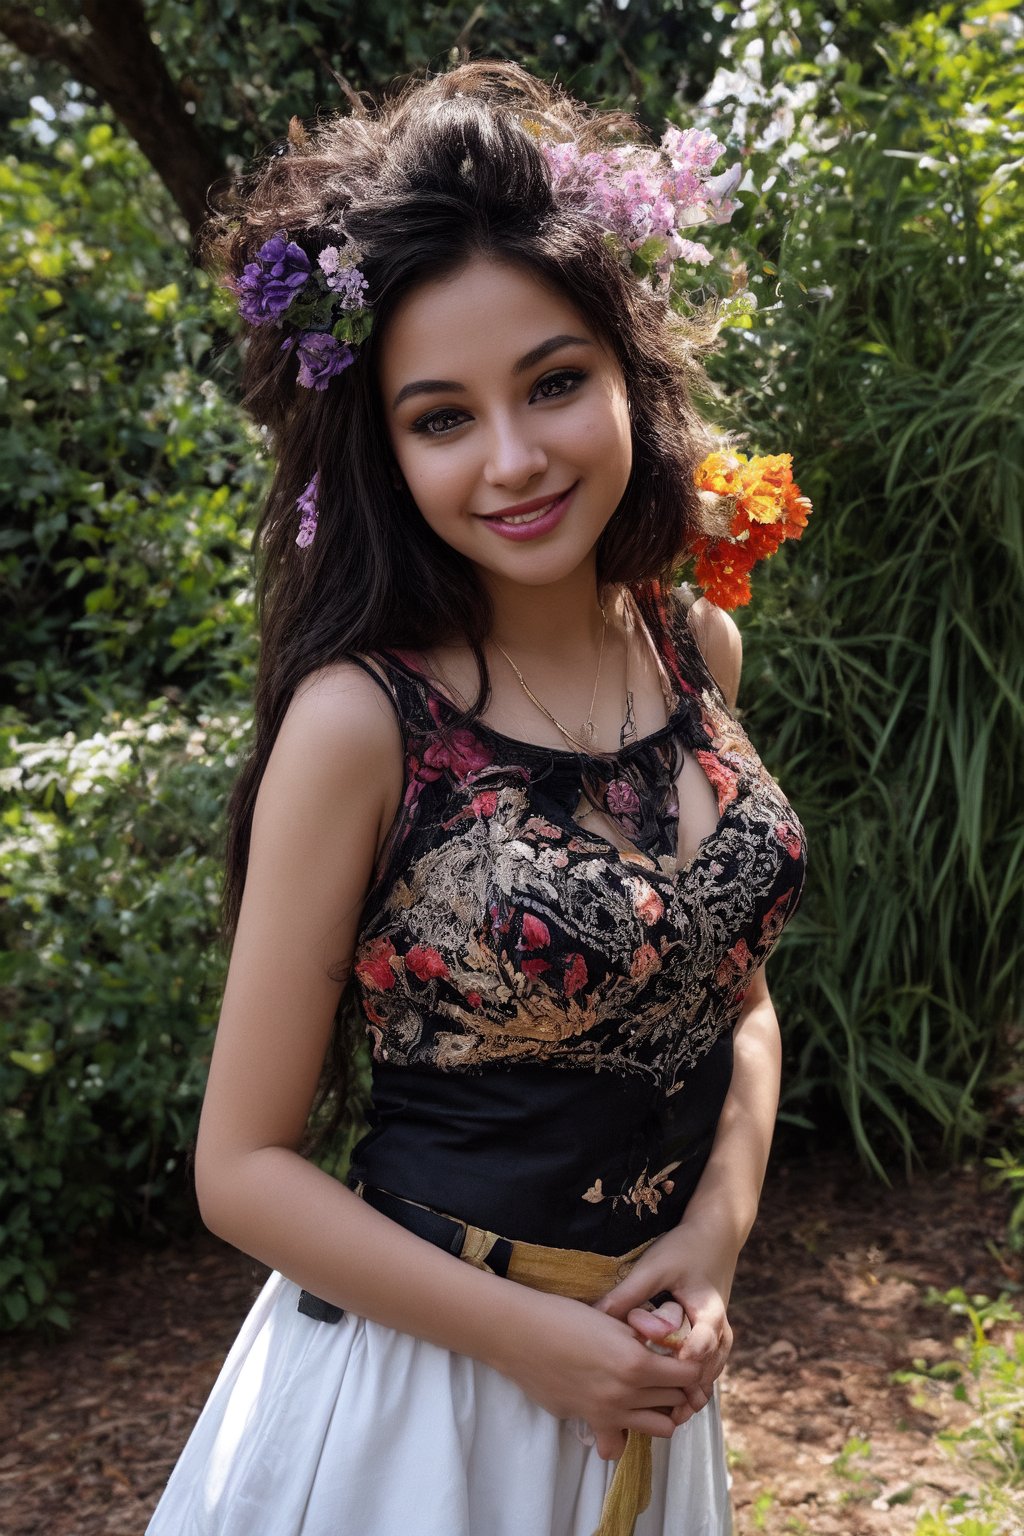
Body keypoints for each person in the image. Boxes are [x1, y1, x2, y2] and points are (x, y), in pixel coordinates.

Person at [147, 60, 808, 1536]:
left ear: (629, 370)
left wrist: (715, 1234)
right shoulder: (362, 724)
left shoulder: (693, 645)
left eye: (556, 382)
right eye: (442, 417)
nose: (513, 460)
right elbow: (241, 1169)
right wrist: (544, 1349)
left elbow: (740, 1003)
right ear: (383, 449)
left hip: (640, 1373)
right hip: (424, 1407)